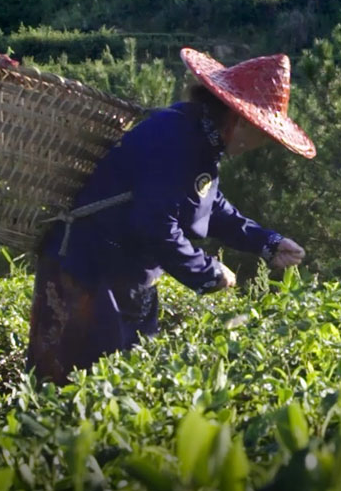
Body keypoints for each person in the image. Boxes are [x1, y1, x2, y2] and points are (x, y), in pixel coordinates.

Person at [27, 48, 316, 383]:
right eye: (262, 134)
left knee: (122, 387)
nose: (261, 144)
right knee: (73, 388)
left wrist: (267, 242)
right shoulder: (177, 140)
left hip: (125, 277)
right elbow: (155, 224)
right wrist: (208, 271)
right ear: (238, 119)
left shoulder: (200, 138)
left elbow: (209, 202)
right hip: (89, 273)